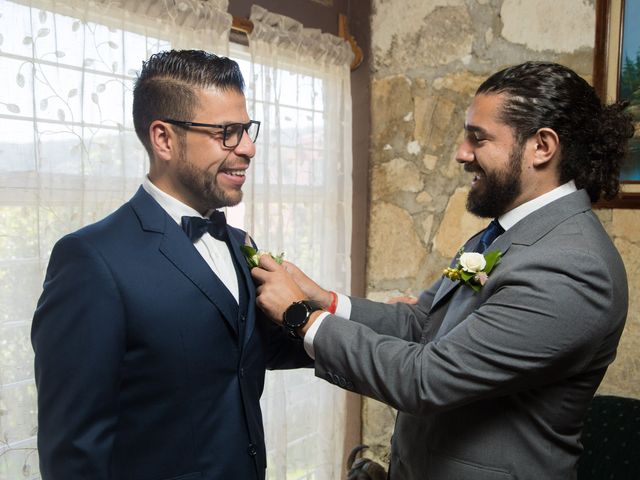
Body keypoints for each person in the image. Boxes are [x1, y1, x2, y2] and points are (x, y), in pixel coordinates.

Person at [251, 61, 634, 480]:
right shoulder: (503, 234)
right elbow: (423, 324)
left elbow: (425, 378)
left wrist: (301, 318)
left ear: (541, 146)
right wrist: (326, 300)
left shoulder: (573, 267)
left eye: (478, 138)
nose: (461, 153)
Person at [31, 50, 312, 480]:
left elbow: (249, 353)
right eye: (227, 133)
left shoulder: (239, 244)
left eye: (246, 130)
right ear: (163, 138)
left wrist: (375, 330)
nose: (249, 149)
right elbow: (74, 450)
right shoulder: (91, 261)